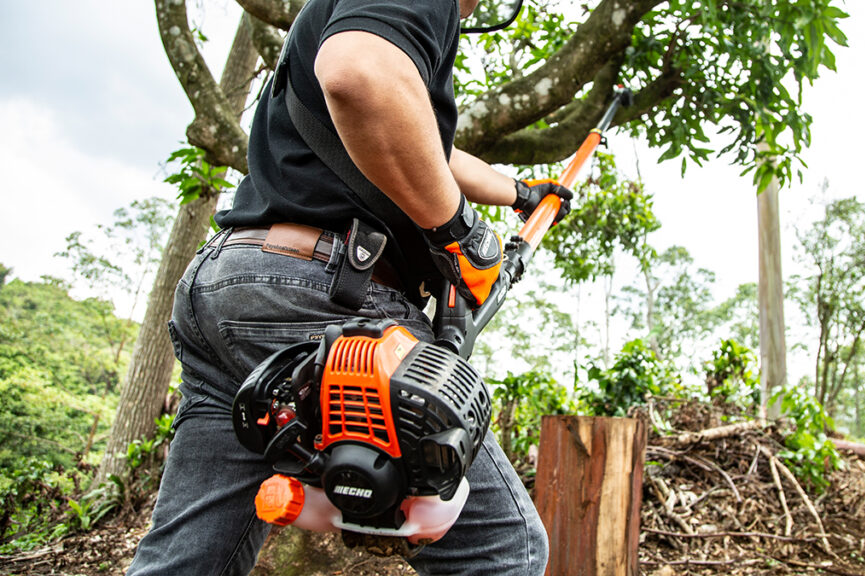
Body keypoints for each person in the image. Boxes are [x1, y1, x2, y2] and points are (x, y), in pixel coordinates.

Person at [126, 0, 572, 574]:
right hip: (325, 296)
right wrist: (462, 234)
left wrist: (519, 191)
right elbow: (360, 75)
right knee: (503, 547)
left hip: (229, 286)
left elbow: (423, 143)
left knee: (189, 560)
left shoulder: (351, 18)